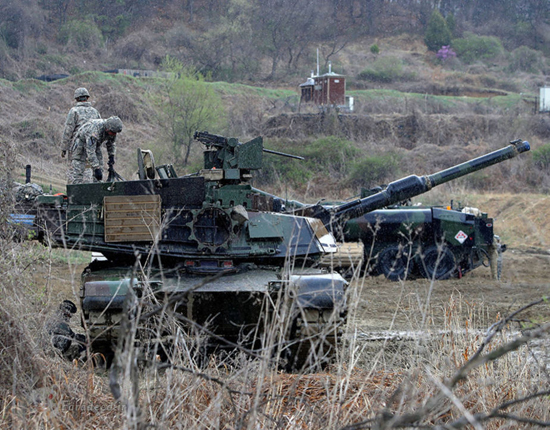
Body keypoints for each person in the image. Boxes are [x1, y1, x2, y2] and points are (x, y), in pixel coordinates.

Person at [67, 116, 123, 185]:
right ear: (107, 128)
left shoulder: (112, 130)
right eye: (112, 133)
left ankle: (97, 186)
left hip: (96, 144)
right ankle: (76, 188)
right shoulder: (94, 130)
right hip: (81, 143)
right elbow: (90, 151)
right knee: (78, 167)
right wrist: (96, 168)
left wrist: (111, 156)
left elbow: (111, 144)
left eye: (115, 133)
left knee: (100, 165)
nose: (114, 135)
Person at [61, 87, 101, 159]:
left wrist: (64, 148)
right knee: (91, 168)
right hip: (92, 146)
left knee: (75, 169)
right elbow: (100, 130)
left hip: (76, 147)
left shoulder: (74, 111)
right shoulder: (95, 112)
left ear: (76, 99)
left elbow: (68, 130)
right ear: (87, 98)